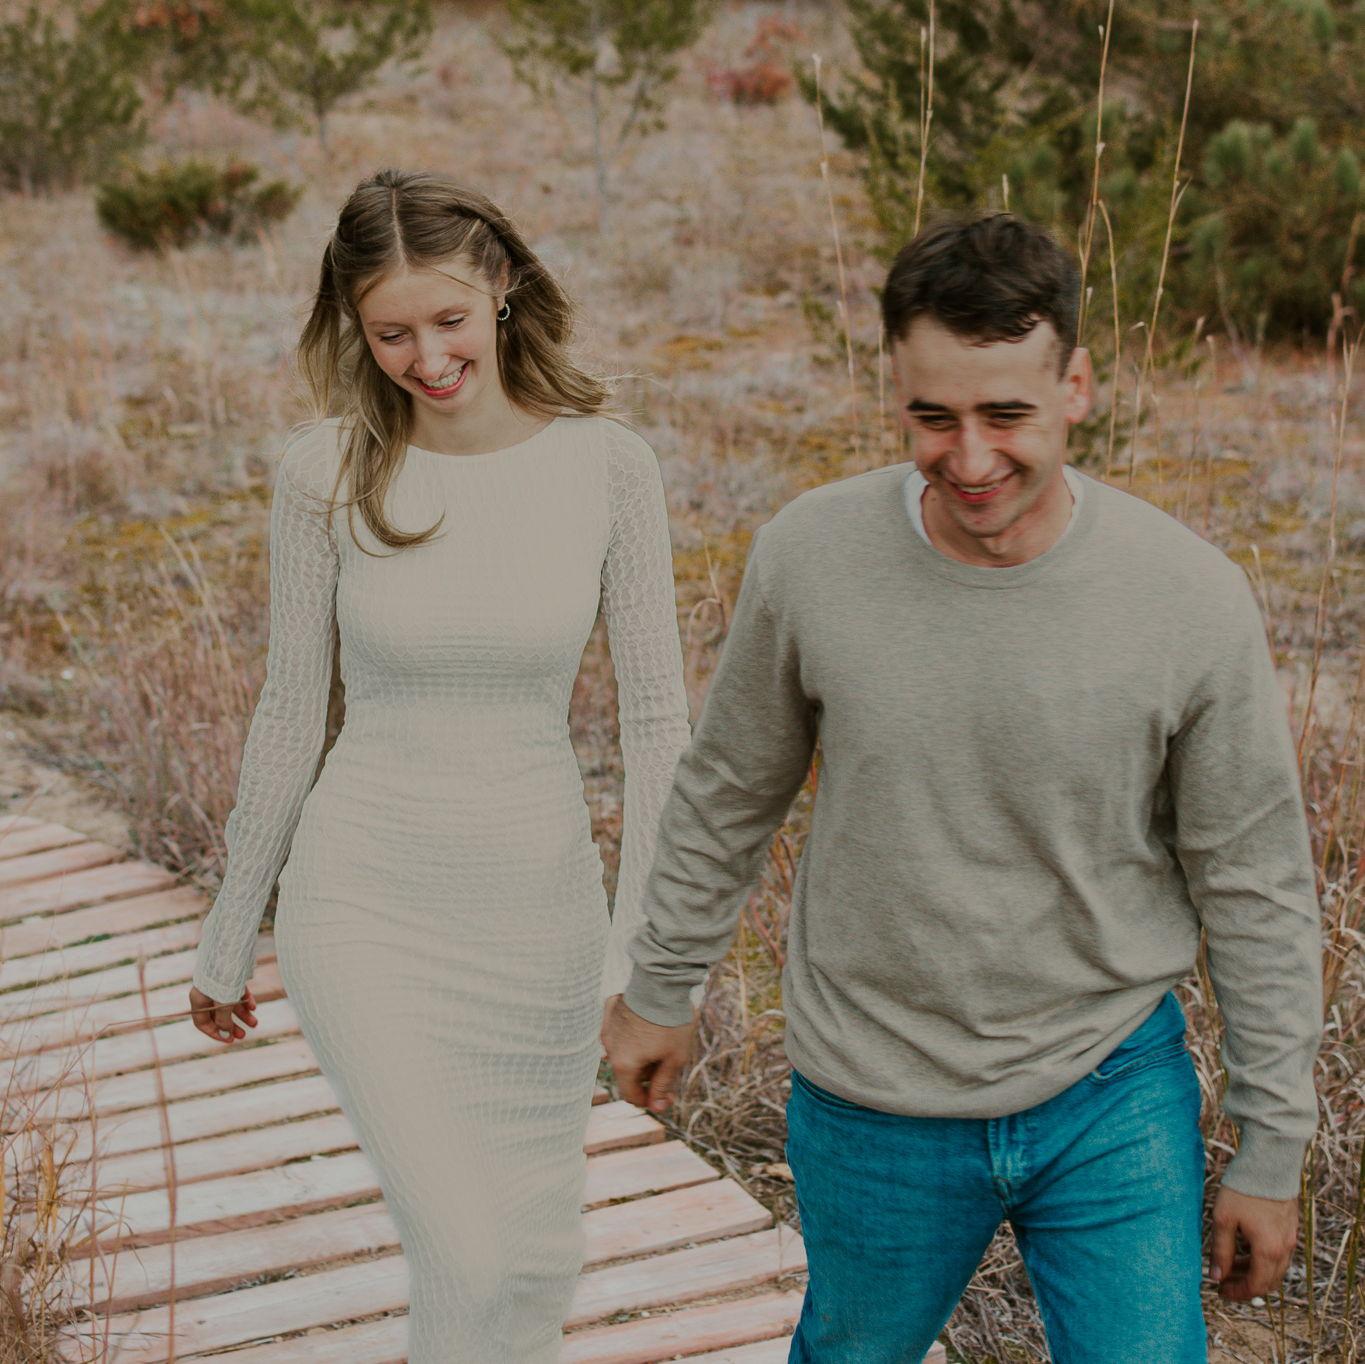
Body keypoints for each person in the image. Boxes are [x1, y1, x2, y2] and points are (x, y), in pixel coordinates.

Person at [601, 212, 1324, 1362]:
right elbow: (730, 788)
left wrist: (1272, 1144)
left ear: (1076, 387)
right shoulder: (810, 556)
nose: (971, 457)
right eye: (933, 417)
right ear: (896, 391)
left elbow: (1257, 883)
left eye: (1006, 414)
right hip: (872, 1094)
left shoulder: (1189, 596)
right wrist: (662, 981)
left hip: (1108, 1085)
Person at [187, 167, 703, 1363]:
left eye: (449, 319)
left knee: (528, 1268)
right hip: (365, 905)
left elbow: (657, 726)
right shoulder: (324, 471)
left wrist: (645, 960)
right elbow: (288, 710)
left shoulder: (608, 466)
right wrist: (229, 922)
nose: (426, 357)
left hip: (541, 922)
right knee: (465, 1257)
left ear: (502, 284)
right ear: (354, 328)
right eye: (391, 333)